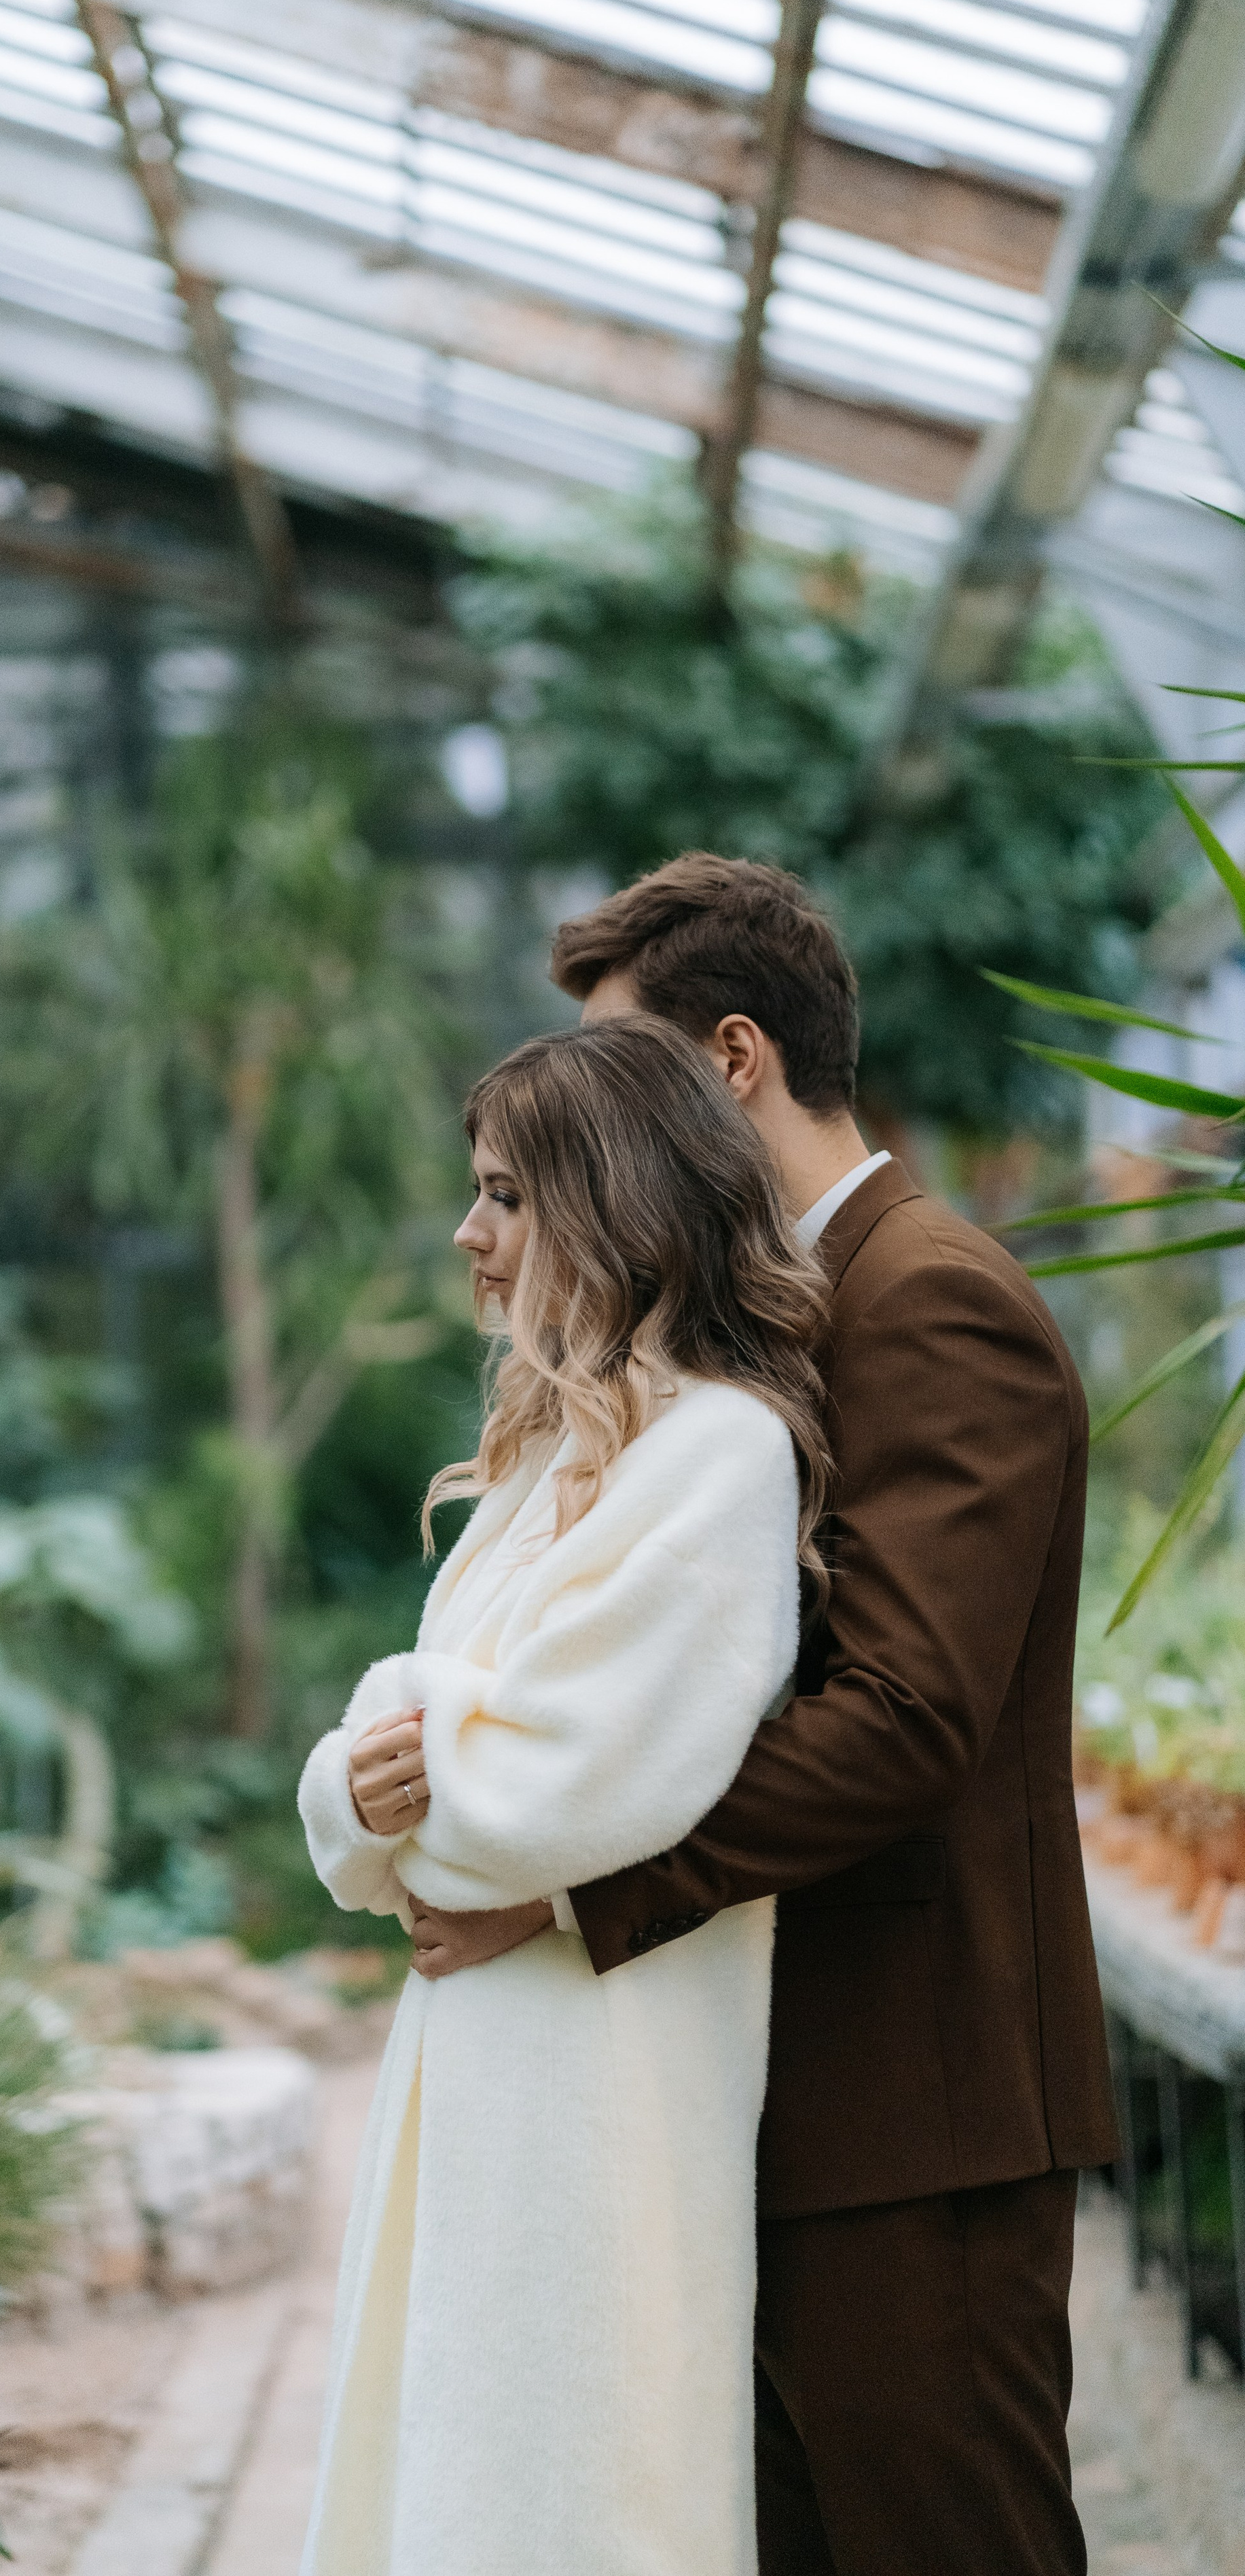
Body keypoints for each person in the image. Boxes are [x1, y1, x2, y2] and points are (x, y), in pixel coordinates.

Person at [408, 854, 1119, 2576]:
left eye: (629, 1078)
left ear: (730, 1065)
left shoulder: (928, 1299)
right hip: (758, 2084)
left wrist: (575, 1888)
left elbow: (896, 1715)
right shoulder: (746, 1321)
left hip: (912, 2102)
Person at [296, 1014, 831, 2576]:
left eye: (506, 1195)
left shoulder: (720, 1454)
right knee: (455, 2472)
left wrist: (392, 1730)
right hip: (477, 2060)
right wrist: (361, 1784)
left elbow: (575, 1779)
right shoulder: (539, 1466)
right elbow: (401, 1799)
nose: (469, 1232)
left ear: (616, 1201)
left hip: (602, 2079)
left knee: (574, 2487)